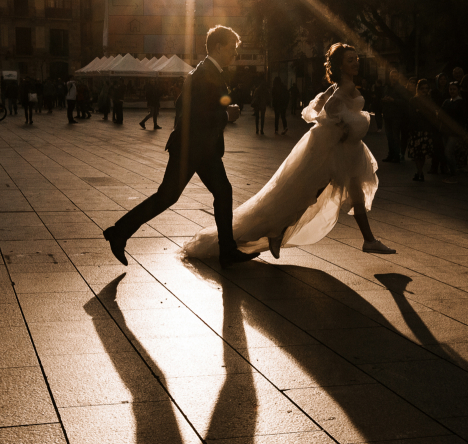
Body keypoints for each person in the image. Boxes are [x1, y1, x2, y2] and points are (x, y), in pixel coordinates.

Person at [183, 42, 396, 261]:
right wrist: (341, 123)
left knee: (350, 191)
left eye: (356, 59)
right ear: (340, 65)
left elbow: (318, 108)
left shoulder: (339, 86)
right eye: (350, 60)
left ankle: (367, 240)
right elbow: (329, 108)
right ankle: (277, 230)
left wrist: (339, 122)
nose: (356, 63)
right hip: (333, 149)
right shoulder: (344, 88)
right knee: (307, 193)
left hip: (341, 148)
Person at [103, 26, 259, 268]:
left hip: (199, 148)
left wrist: (222, 113)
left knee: (218, 192)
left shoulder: (204, 72)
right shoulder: (205, 74)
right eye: (232, 49)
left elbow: (182, 106)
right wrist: (227, 116)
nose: (234, 55)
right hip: (193, 147)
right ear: (218, 47)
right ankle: (119, 232)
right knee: (169, 196)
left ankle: (227, 250)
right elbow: (196, 115)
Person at [407, 80, 435, 181]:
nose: (424, 90)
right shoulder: (413, 100)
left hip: (426, 130)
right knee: (417, 153)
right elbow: (412, 115)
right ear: (418, 89)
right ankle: (419, 171)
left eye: (426, 88)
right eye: (422, 88)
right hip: (416, 130)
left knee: (422, 153)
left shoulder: (430, 100)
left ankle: (419, 171)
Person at [381, 71, 406, 163]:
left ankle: (396, 155)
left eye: (395, 76)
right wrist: (384, 100)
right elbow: (382, 97)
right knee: (389, 136)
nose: (393, 78)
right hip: (387, 114)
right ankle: (391, 155)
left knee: (395, 136)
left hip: (396, 115)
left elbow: (404, 102)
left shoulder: (401, 88)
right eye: (392, 76)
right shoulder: (386, 87)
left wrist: (393, 100)